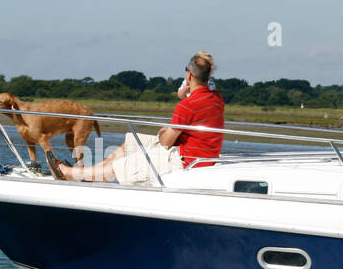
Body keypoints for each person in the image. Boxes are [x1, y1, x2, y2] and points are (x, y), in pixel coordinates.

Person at [59, 53, 225, 183]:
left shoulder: (187, 105)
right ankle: (88, 173)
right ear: (207, 77)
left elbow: (166, 141)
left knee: (119, 167)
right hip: (197, 152)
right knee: (130, 142)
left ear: (188, 76)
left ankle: (69, 173)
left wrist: (164, 132)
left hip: (183, 158)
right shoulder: (217, 99)